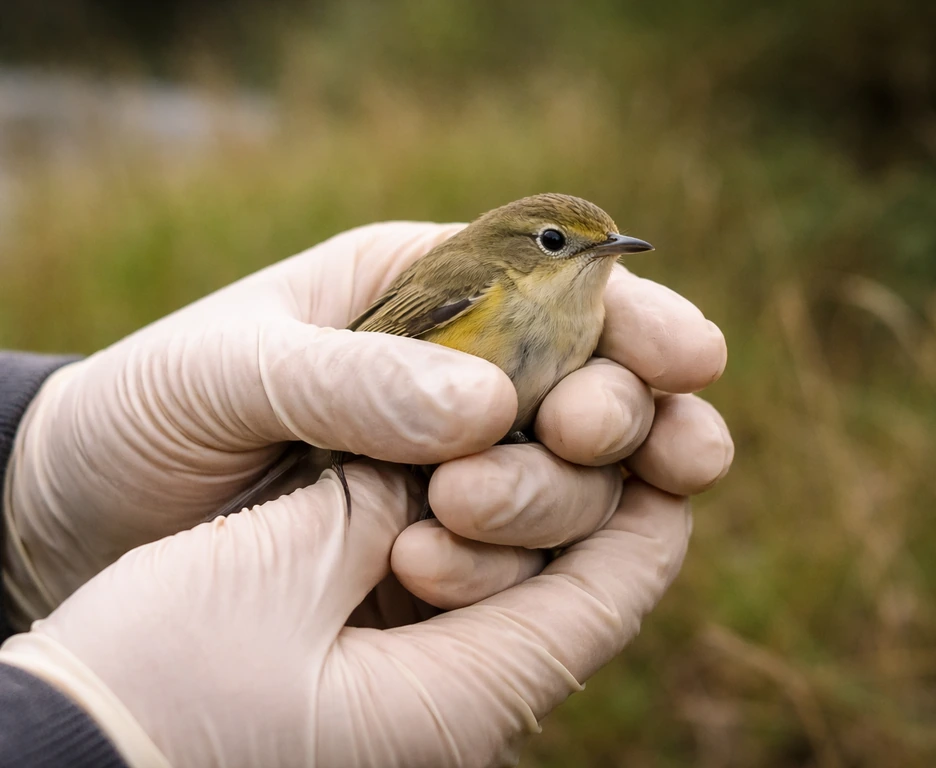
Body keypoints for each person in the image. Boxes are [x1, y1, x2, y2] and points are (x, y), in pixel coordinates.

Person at [0, 221, 733, 767]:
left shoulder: (587, 316)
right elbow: (371, 344)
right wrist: (97, 730)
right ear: (514, 248)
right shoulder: (478, 280)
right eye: (556, 242)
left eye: (603, 245)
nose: (595, 256)